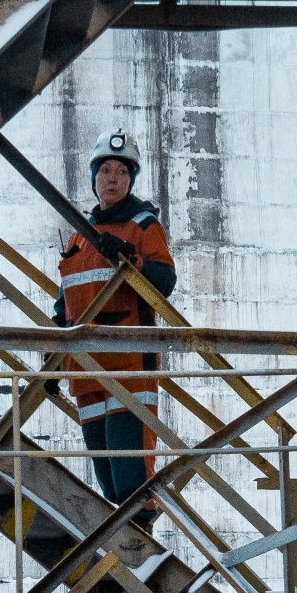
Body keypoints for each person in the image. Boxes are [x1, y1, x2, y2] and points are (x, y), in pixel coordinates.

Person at [50, 130, 177, 523]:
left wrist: (131, 261)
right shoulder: (79, 235)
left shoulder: (143, 226)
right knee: (107, 478)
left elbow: (165, 282)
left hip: (127, 368)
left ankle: (139, 547)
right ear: (94, 177)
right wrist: (54, 358)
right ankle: (123, 545)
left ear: (130, 180)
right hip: (86, 373)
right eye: (105, 169)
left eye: (121, 171)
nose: (112, 178)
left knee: (132, 481)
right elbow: (64, 305)